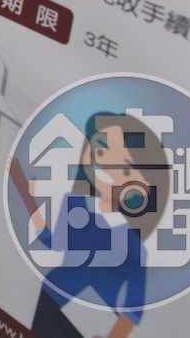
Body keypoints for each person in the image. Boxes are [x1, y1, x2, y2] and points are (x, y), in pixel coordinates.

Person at [10, 112, 169, 338]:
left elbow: (132, 311)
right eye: (101, 152)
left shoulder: (134, 247)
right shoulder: (75, 204)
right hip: (48, 299)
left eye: (123, 168)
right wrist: (26, 197)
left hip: (87, 326)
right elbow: (54, 243)